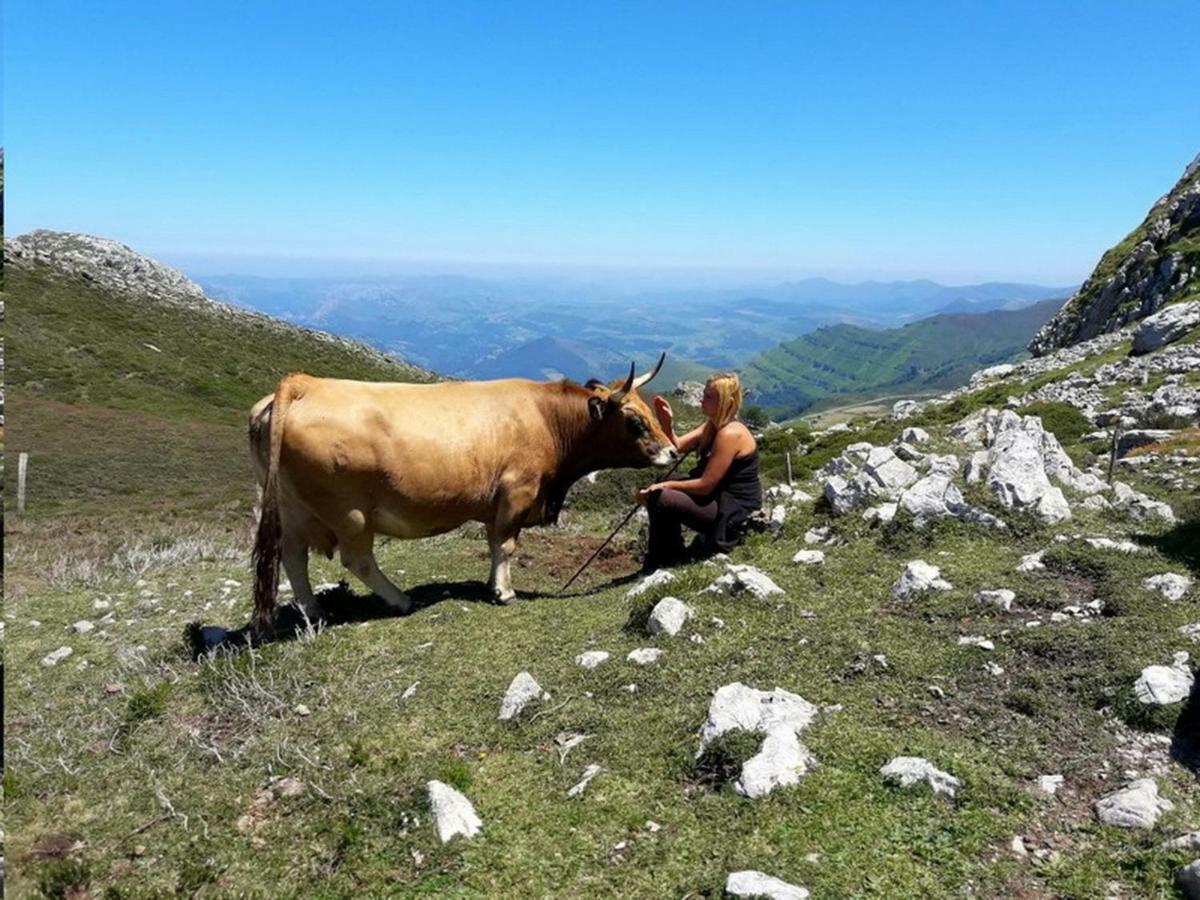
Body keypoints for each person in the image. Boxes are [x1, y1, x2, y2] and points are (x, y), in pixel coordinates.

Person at [637, 372, 762, 570]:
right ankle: (670, 551)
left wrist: (663, 486)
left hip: (732, 511)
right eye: (704, 394)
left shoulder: (730, 434)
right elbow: (677, 446)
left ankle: (664, 560)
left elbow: (705, 485)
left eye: (709, 396)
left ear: (725, 402)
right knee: (664, 478)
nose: (702, 399)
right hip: (718, 498)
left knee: (662, 496)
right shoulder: (712, 426)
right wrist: (667, 423)